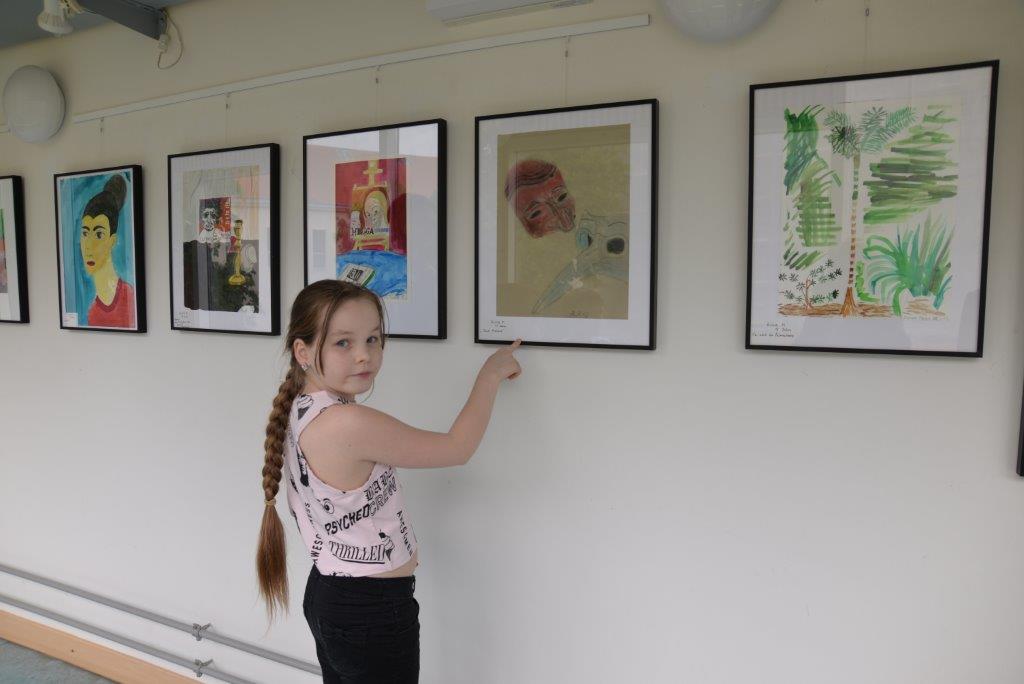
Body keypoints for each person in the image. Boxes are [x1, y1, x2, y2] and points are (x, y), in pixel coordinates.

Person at [256, 279, 522, 683]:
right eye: (343, 343)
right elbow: (456, 448)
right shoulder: (348, 422)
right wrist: (491, 373)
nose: (364, 355)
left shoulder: (300, 407)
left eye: (373, 339)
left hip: (333, 598)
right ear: (303, 351)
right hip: (371, 612)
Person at [79, 174, 135, 328]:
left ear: (112, 241)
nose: (89, 246)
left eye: (98, 234)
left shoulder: (130, 297)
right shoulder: (93, 312)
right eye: (85, 233)